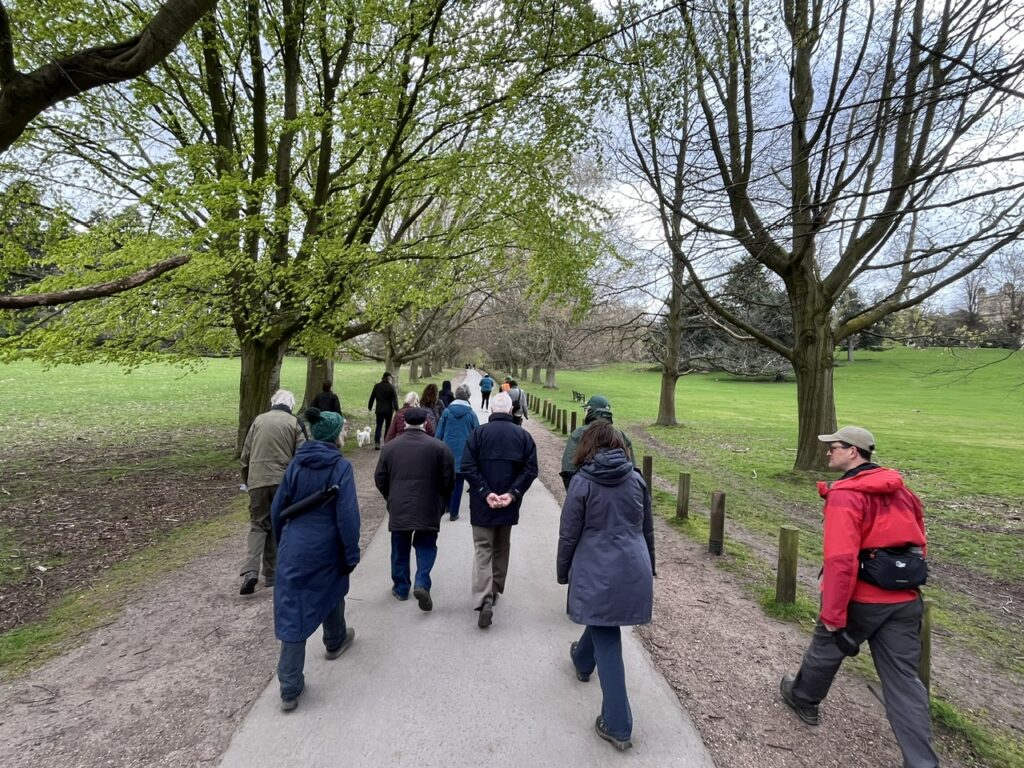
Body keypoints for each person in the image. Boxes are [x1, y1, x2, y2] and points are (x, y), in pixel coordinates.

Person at [780, 426, 937, 768]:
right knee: (904, 682)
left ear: (854, 452)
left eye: (833, 447)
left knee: (827, 647)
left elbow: (840, 560)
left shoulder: (846, 495)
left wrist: (834, 615)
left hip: (861, 597)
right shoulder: (902, 491)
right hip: (904, 598)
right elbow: (919, 541)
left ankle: (804, 699)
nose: (827, 453)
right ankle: (922, 762)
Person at [557, 420, 655, 751]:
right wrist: (650, 567)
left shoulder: (582, 483)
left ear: (587, 446)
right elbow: (648, 528)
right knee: (602, 621)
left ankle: (618, 724)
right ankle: (583, 660)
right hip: (632, 564)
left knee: (608, 635)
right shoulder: (637, 480)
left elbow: (568, 533)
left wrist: (562, 570)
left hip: (598, 568)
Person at [270, 407, 361, 712]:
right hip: (326, 545)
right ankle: (334, 640)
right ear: (334, 435)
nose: (345, 433)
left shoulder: (296, 464)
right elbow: (347, 516)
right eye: (343, 430)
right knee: (332, 585)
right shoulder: (340, 467)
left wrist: (282, 542)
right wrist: (351, 553)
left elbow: (277, 508)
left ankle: (289, 687)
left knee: (293, 608)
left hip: (295, 545)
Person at [461, 392, 538, 629]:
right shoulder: (523, 436)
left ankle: (484, 598)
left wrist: (485, 491)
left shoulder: (478, 434)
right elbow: (530, 469)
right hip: (508, 504)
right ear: (511, 409)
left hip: (483, 502)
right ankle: (494, 590)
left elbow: (467, 466)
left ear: (492, 410)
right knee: (502, 547)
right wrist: (512, 493)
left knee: (483, 549)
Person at [374, 407, 454, 610]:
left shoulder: (390, 448)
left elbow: (380, 478)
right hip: (429, 504)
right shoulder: (440, 448)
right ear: (426, 423)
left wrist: (390, 496)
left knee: (399, 546)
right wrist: (442, 501)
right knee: (426, 545)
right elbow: (448, 480)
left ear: (405, 423)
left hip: (400, 504)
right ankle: (422, 581)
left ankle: (401, 588)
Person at [239, 389, 306, 595]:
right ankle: (271, 573)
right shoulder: (294, 423)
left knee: (258, 525)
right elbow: (302, 455)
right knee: (277, 525)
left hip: (257, 480)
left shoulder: (258, 421)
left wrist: (248, 480)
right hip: (282, 481)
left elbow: (246, 454)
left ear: (273, 402)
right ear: (291, 405)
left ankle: (251, 570)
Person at [560, 395, 635, 490]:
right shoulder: (622, 436)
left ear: (590, 410)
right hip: (620, 493)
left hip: (587, 492)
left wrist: (575, 494)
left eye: (585, 409)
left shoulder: (579, 434)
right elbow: (633, 470)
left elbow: (568, 470)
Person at [435, 384, 480, 521]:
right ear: (468, 397)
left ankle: (448, 505)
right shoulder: (471, 414)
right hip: (464, 453)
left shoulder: (447, 412)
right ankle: (454, 512)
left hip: (446, 451)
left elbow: (439, 433)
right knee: (459, 481)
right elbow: (477, 434)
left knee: (447, 480)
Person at [367, 372, 399, 450]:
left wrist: (370, 406)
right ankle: (386, 442)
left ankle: (377, 443)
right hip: (389, 411)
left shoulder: (377, 386)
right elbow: (395, 400)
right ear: (388, 378)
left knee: (379, 426)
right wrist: (397, 410)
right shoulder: (391, 387)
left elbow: (372, 397)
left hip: (379, 410)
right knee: (388, 427)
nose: (392, 379)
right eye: (391, 378)